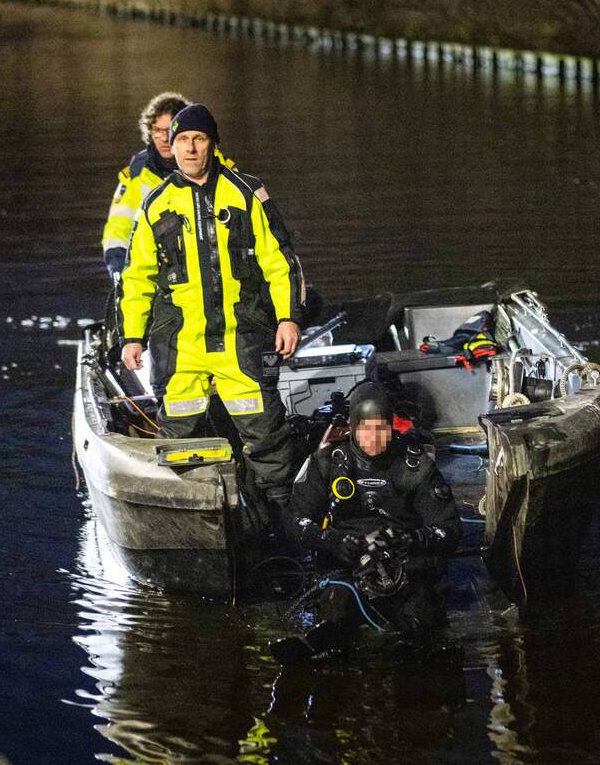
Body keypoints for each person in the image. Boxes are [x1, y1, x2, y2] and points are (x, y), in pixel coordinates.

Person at [118, 102, 304, 513]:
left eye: (198, 139)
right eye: (181, 139)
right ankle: (186, 516)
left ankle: (281, 519)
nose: (189, 148)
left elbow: (281, 262)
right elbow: (137, 278)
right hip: (181, 344)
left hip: (242, 338)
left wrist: (289, 318)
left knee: (267, 436)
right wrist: (131, 337)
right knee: (180, 441)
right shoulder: (155, 205)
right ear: (172, 145)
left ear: (213, 145)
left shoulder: (246, 192)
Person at [271, 382, 461, 664]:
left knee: (419, 609)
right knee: (336, 604)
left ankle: (418, 647)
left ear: (392, 426)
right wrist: (330, 540)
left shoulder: (415, 467)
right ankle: (324, 643)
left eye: (381, 428)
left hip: (404, 568)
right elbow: (294, 520)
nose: (374, 438)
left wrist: (413, 540)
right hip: (346, 568)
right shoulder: (327, 463)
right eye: (366, 429)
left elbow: (451, 529)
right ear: (352, 428)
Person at [101, 91, 236, 277]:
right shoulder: (137, 173)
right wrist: (118, 270)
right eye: (157, 131)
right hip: (156, 275)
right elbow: (118, 229)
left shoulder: (221, 170)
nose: (164, 138)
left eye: (168, 130)